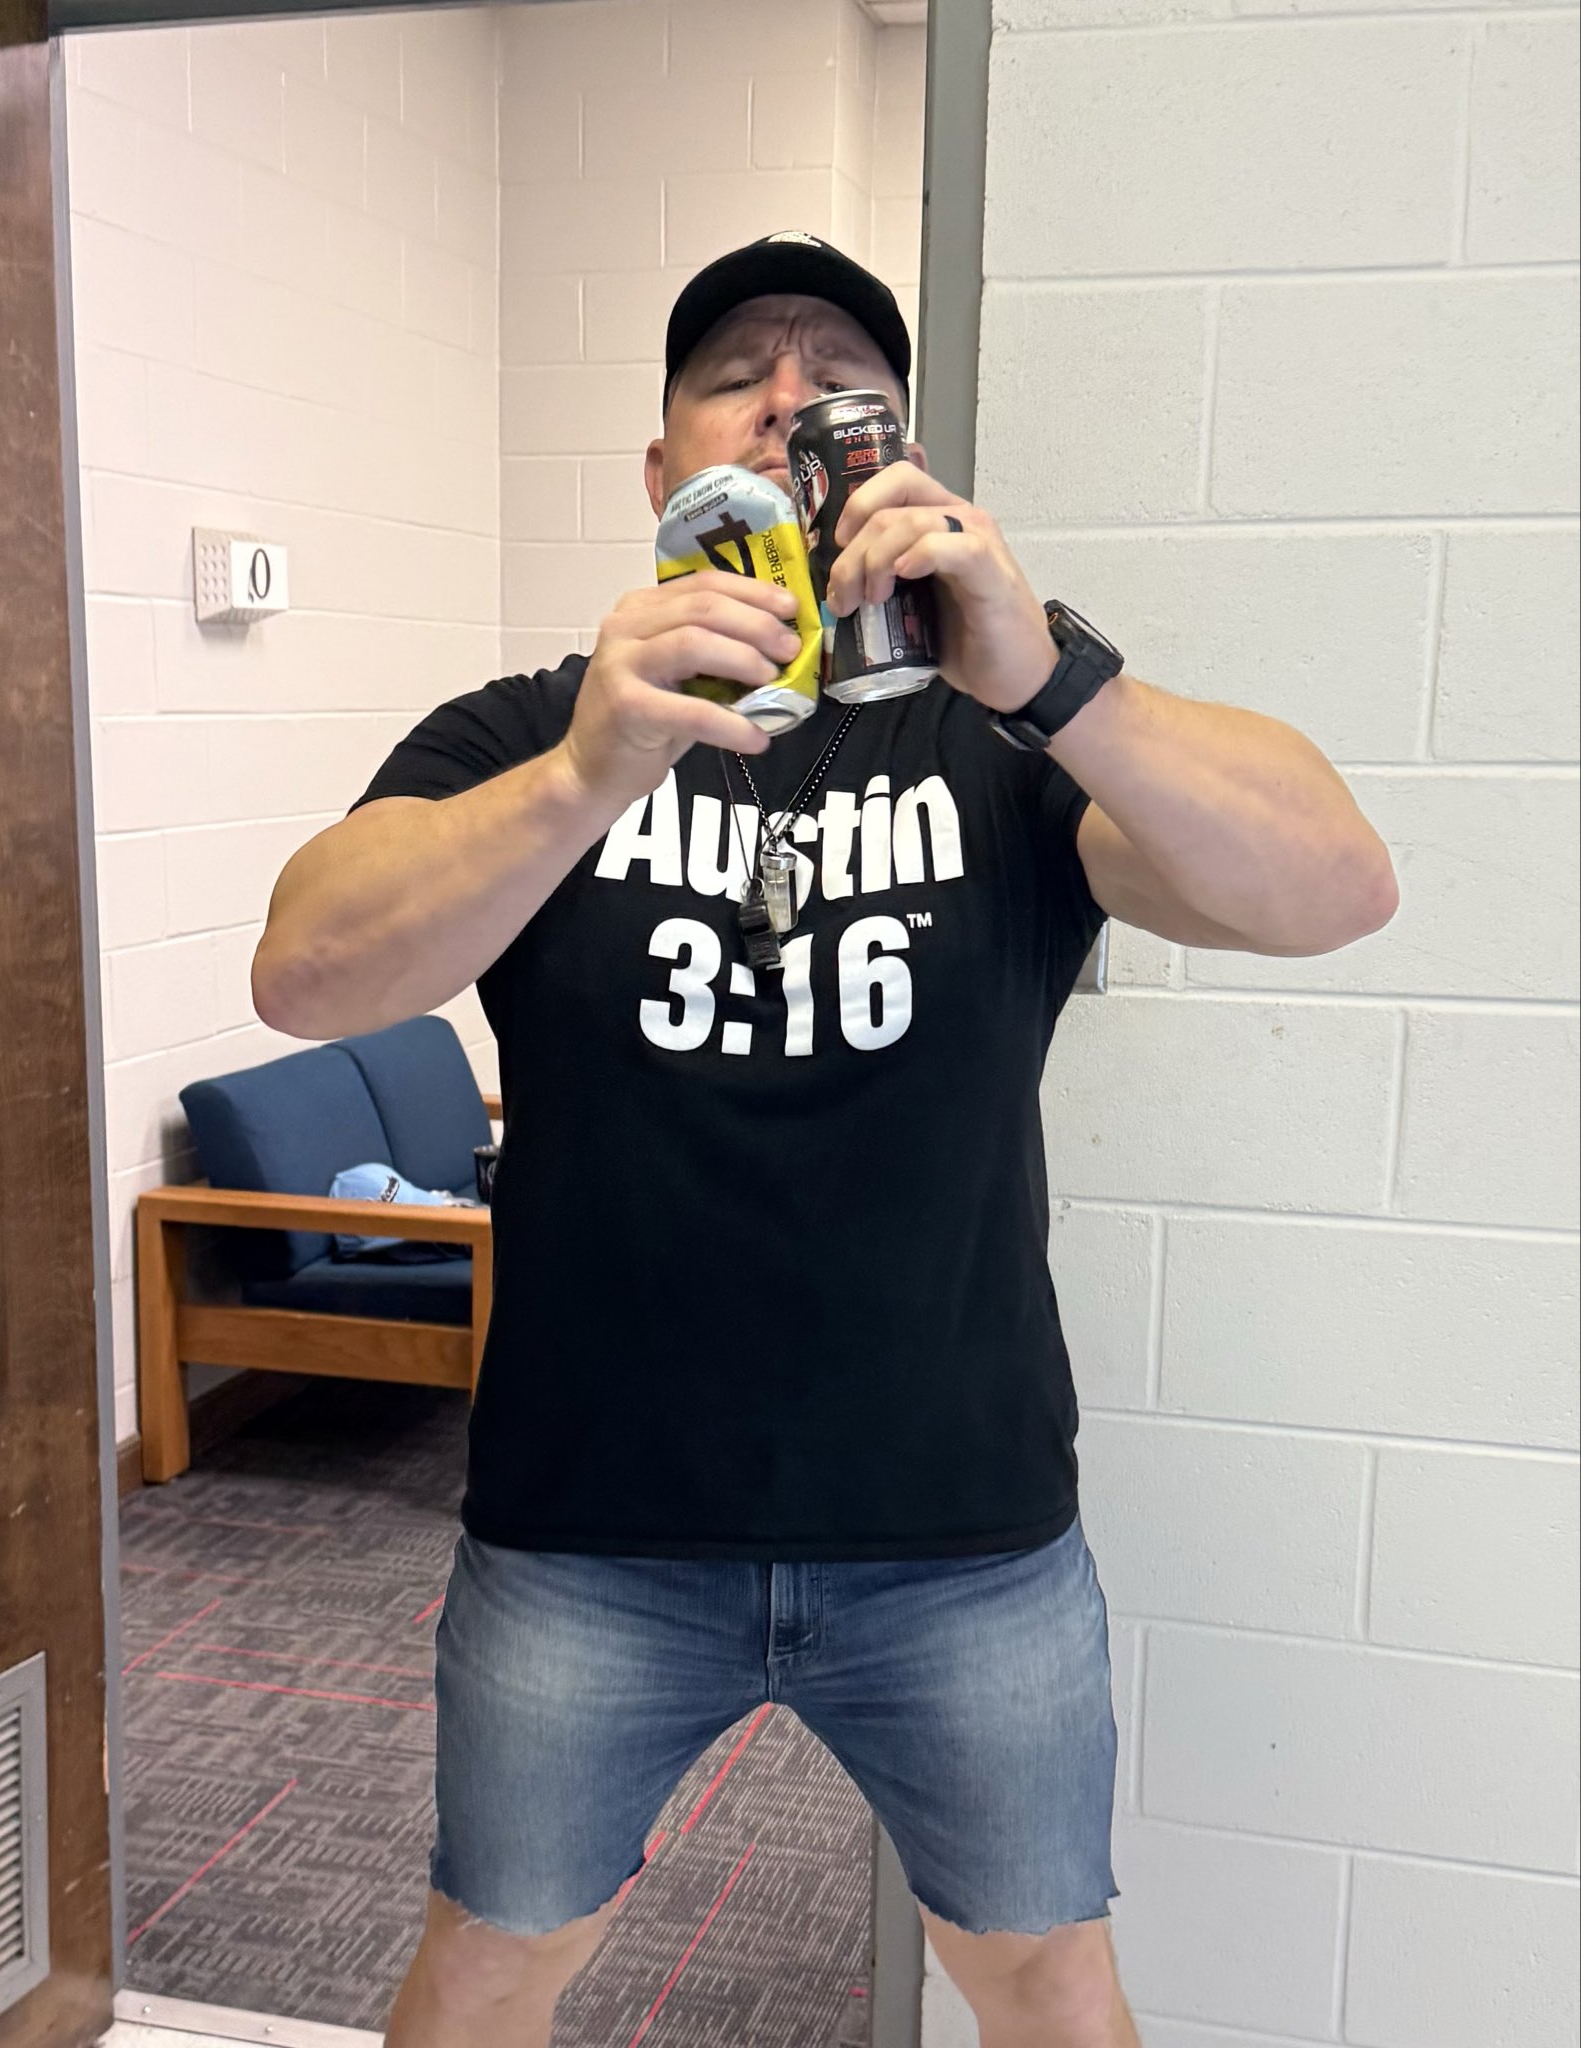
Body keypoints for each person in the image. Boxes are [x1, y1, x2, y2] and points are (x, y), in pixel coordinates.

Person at [253, 231, 1398, 2048]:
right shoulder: (528, 734)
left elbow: (1336, 890)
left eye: (838, 383)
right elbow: (307, 973)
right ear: (661, 468)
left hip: (962, 1534)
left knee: (1044, 1978)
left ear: (901, 460)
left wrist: (1049, 676)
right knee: (492, 1964)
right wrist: (588, 774)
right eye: (738, 377)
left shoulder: (1008, 749)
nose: (790, 403)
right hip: (592, 1530)